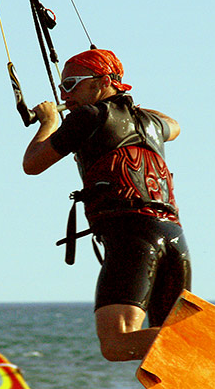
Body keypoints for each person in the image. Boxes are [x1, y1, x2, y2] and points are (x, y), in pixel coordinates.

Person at [22, 48, 191, 362]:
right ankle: (211, 351)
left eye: (72, 84)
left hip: (133, 237)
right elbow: (175, 125)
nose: (64, 93)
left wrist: (48, 121)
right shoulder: (151, 122)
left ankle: (211, 345)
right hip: (173, 238)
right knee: (168, 348)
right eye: (62, 87)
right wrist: (125, 102)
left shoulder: (89, 116)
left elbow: (32, 164)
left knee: (116, 343)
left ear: (100, 83)